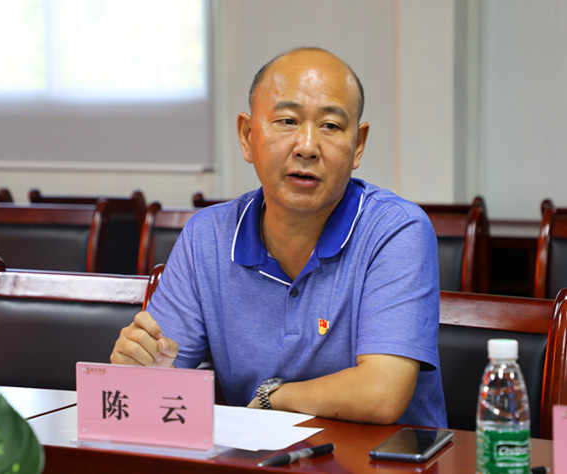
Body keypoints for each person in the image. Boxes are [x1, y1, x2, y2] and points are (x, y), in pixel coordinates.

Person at [111, 47, 447, 428]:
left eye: (330, 126)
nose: (307, 147)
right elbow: (153, 385)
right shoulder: (207, 237)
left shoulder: (396, 230)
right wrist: (140, 371)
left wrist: (274, 397)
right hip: (257, 456)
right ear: (246, 135)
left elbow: (381, 393)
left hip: (379, 457)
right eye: (287, 121)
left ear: (358, 145)